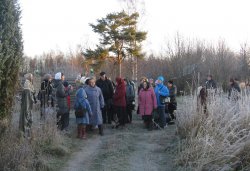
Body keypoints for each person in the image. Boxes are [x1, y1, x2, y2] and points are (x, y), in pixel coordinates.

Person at [19, 73, 36, 138]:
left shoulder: (30, 84)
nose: (33, 78)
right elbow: (27, 101)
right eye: (32, 77)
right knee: (26, 119)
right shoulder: (27, 85)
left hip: (28, 107)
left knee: (29, 120)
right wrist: (27, 110)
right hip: (27, 107)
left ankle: (27, 135)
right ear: (29, 77)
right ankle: (24, 136)